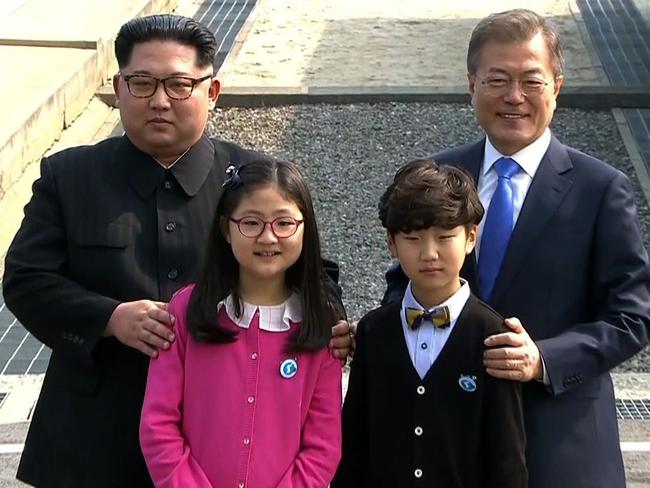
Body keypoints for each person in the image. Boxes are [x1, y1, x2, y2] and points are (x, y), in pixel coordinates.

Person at [2, 14, 350, 488]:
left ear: (212, 91)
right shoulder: (70, 176)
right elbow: (26, 279)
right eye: (142, 83)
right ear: (118, 87)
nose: (160, 100)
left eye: (179, 84)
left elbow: (315, 273)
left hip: (226, 443)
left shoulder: (255, 177)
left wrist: (330, 327)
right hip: (94, 430)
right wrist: (110, 317)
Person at [383, 9, 650, 488]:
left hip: (560, 442)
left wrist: (544, 359)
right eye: (497, 79)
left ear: (557, 87)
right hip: (449, 438)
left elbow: (633, 314)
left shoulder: (601, 189)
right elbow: (404, 284)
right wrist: (374, 332)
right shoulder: (437, 174)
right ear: (471, 84)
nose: (514, 97)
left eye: (531, 80)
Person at [140, 158, 343, 488]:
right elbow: (157, 423)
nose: (268, 237)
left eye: (284, 223)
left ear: (304, 227)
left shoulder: (321, 323)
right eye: (251, 223)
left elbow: (323, 446)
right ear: (225, 228)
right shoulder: (186, 310)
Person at [333, 159, 527, 488]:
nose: (429, 253)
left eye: (445, 236)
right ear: (391, 243)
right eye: (413, 238)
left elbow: (507, 457)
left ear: (470, 239)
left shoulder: (493, 336)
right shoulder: (372, 331)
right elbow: (354, 441)